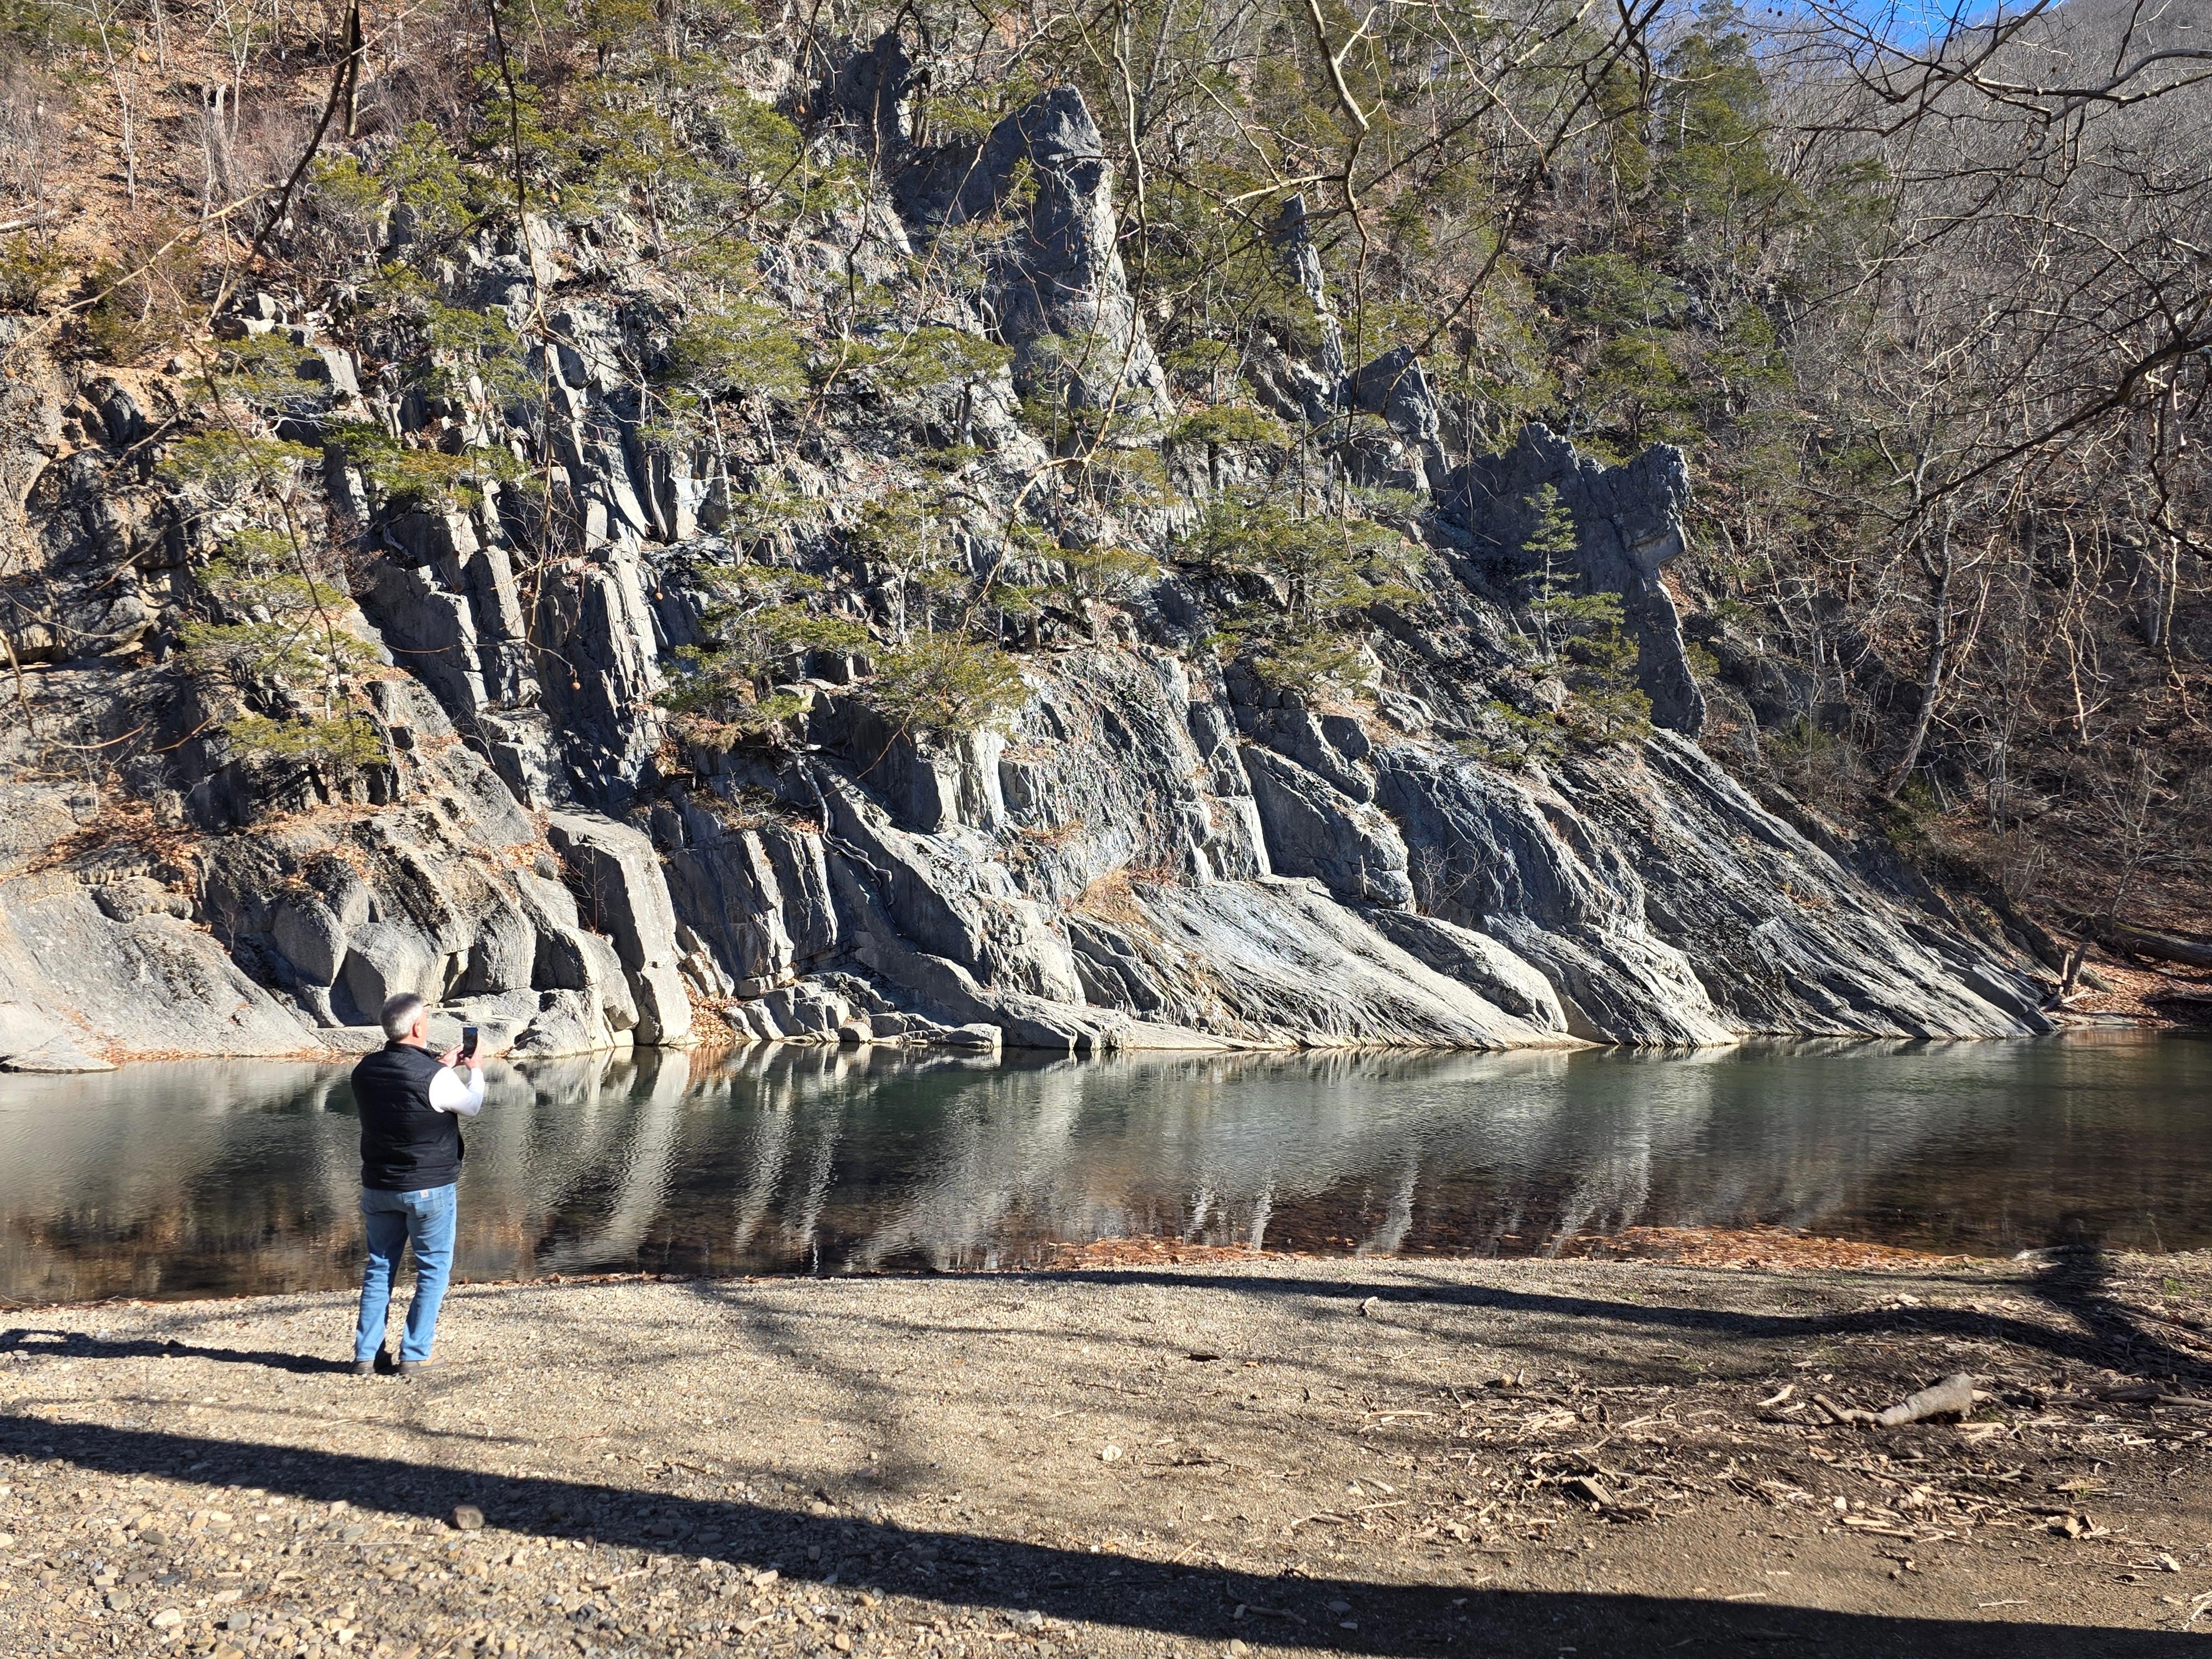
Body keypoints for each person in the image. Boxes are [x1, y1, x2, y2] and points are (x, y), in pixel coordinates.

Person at [349, 992, 484, 1378]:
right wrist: (475, 1070)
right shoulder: (436, 1077)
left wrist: (440, 1066)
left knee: (379, 1267)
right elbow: (471, 1106)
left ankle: (365, 1355)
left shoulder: (365, 1069)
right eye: (425, 1018)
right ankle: (414, 1354)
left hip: (378, 1186)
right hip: (429, 1189)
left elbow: (405, 1092)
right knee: (433, 1269)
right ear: (417, 1028)